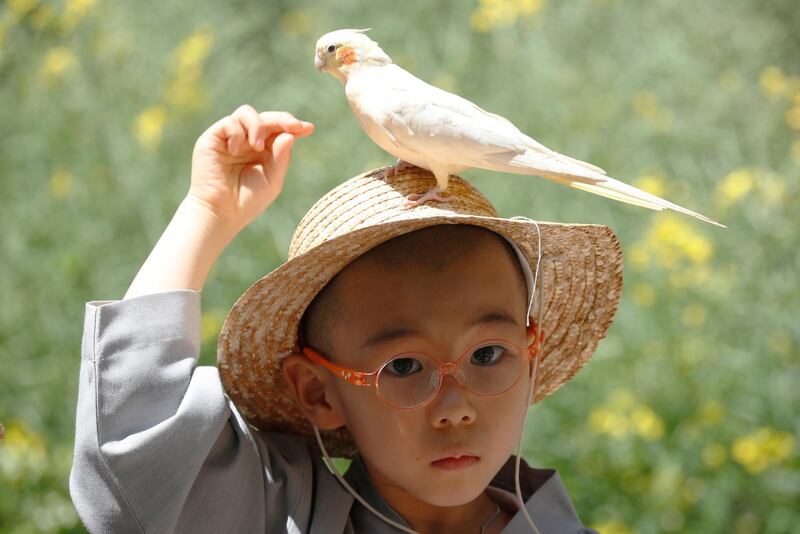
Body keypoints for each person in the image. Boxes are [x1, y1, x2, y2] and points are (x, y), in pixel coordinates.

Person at [69, 104, 623, 533]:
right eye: (404, 366)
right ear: (319, 392)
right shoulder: (281, 517)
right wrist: (207, 213)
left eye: (486, 355)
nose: (455, 408)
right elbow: (134, 440)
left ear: (531, 357)